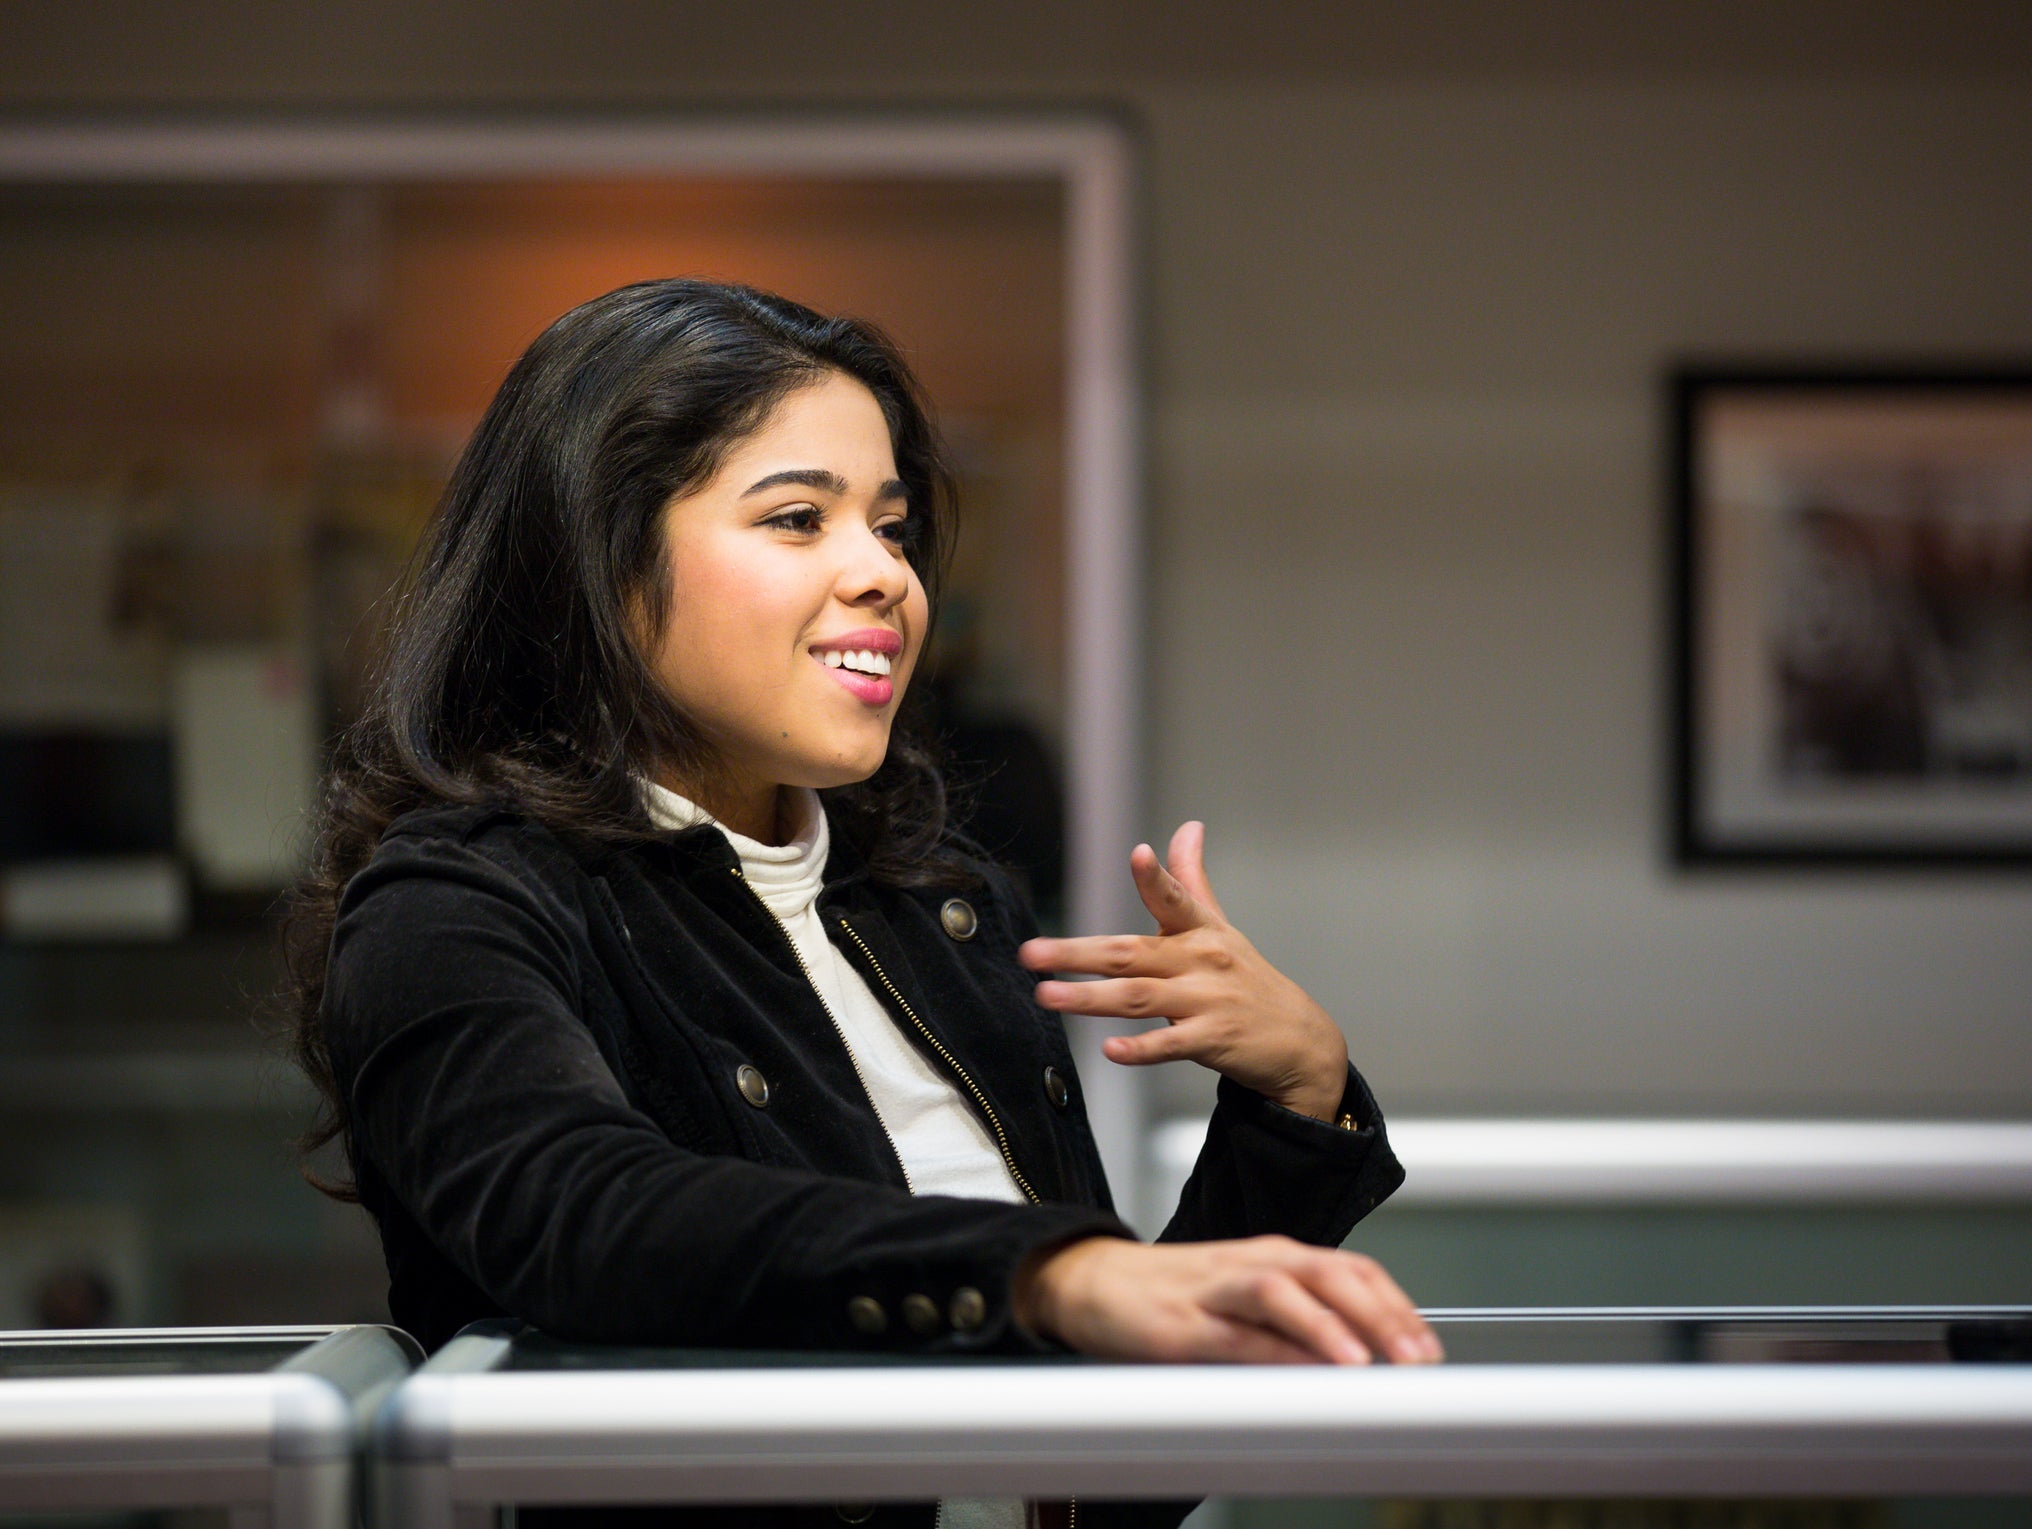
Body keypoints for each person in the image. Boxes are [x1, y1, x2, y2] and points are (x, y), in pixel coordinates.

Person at [280, 278, 1437, 1527]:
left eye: (891, 527)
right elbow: (589, 1214)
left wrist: (1294, 1105)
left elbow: (1104, 1469)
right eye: (796, 519)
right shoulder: (455, 899)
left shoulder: (937, 907)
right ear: (598, 567)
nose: (882, 573)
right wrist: (1047, 1275)